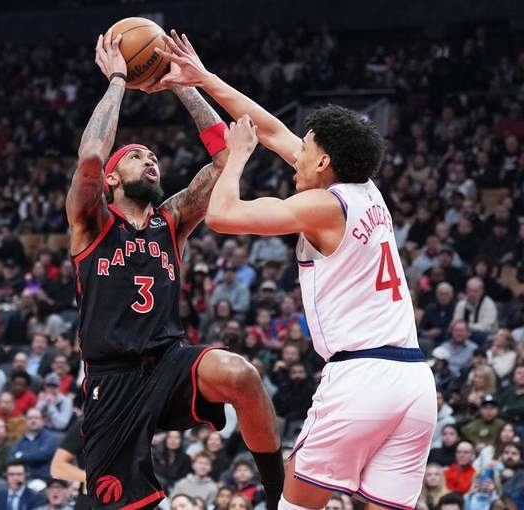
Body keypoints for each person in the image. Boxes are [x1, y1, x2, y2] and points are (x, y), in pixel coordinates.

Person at [154, 29, 436, 509]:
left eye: (304, 150)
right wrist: (203, 79)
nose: (295, 156)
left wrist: (236, 157)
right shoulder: (366, 189)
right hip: (414, 383)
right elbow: (271, 130)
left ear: (323, 161)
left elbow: (222, 216)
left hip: (361, 377)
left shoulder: (324, 207)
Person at [67, 31, 282, 509]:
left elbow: (225, 160)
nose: (150, 160)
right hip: (112, 380)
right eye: (137, 156)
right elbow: (91, 157)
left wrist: (185, 83)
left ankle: (279, 498)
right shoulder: (91, 221)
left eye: (153, 157)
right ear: (112, 179)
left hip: (169, 361)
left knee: (241, 374)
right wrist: (118, 79)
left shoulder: (171, 221)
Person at [6, 408, 60, 481]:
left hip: (43, 478)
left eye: (36, 418)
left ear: (42, 421)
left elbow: (41, 455)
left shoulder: (51, 438)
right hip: (23, 478)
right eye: (30, 418)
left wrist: (21, 455)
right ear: (26, 421)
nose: (33, 420)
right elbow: (10, 457)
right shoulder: (22, 439)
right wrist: (29, 455)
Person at [50, 420, 90, 510]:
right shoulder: (84, 425)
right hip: (89, 497)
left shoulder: (123, 427)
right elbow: (57, 467)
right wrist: (94, 479)